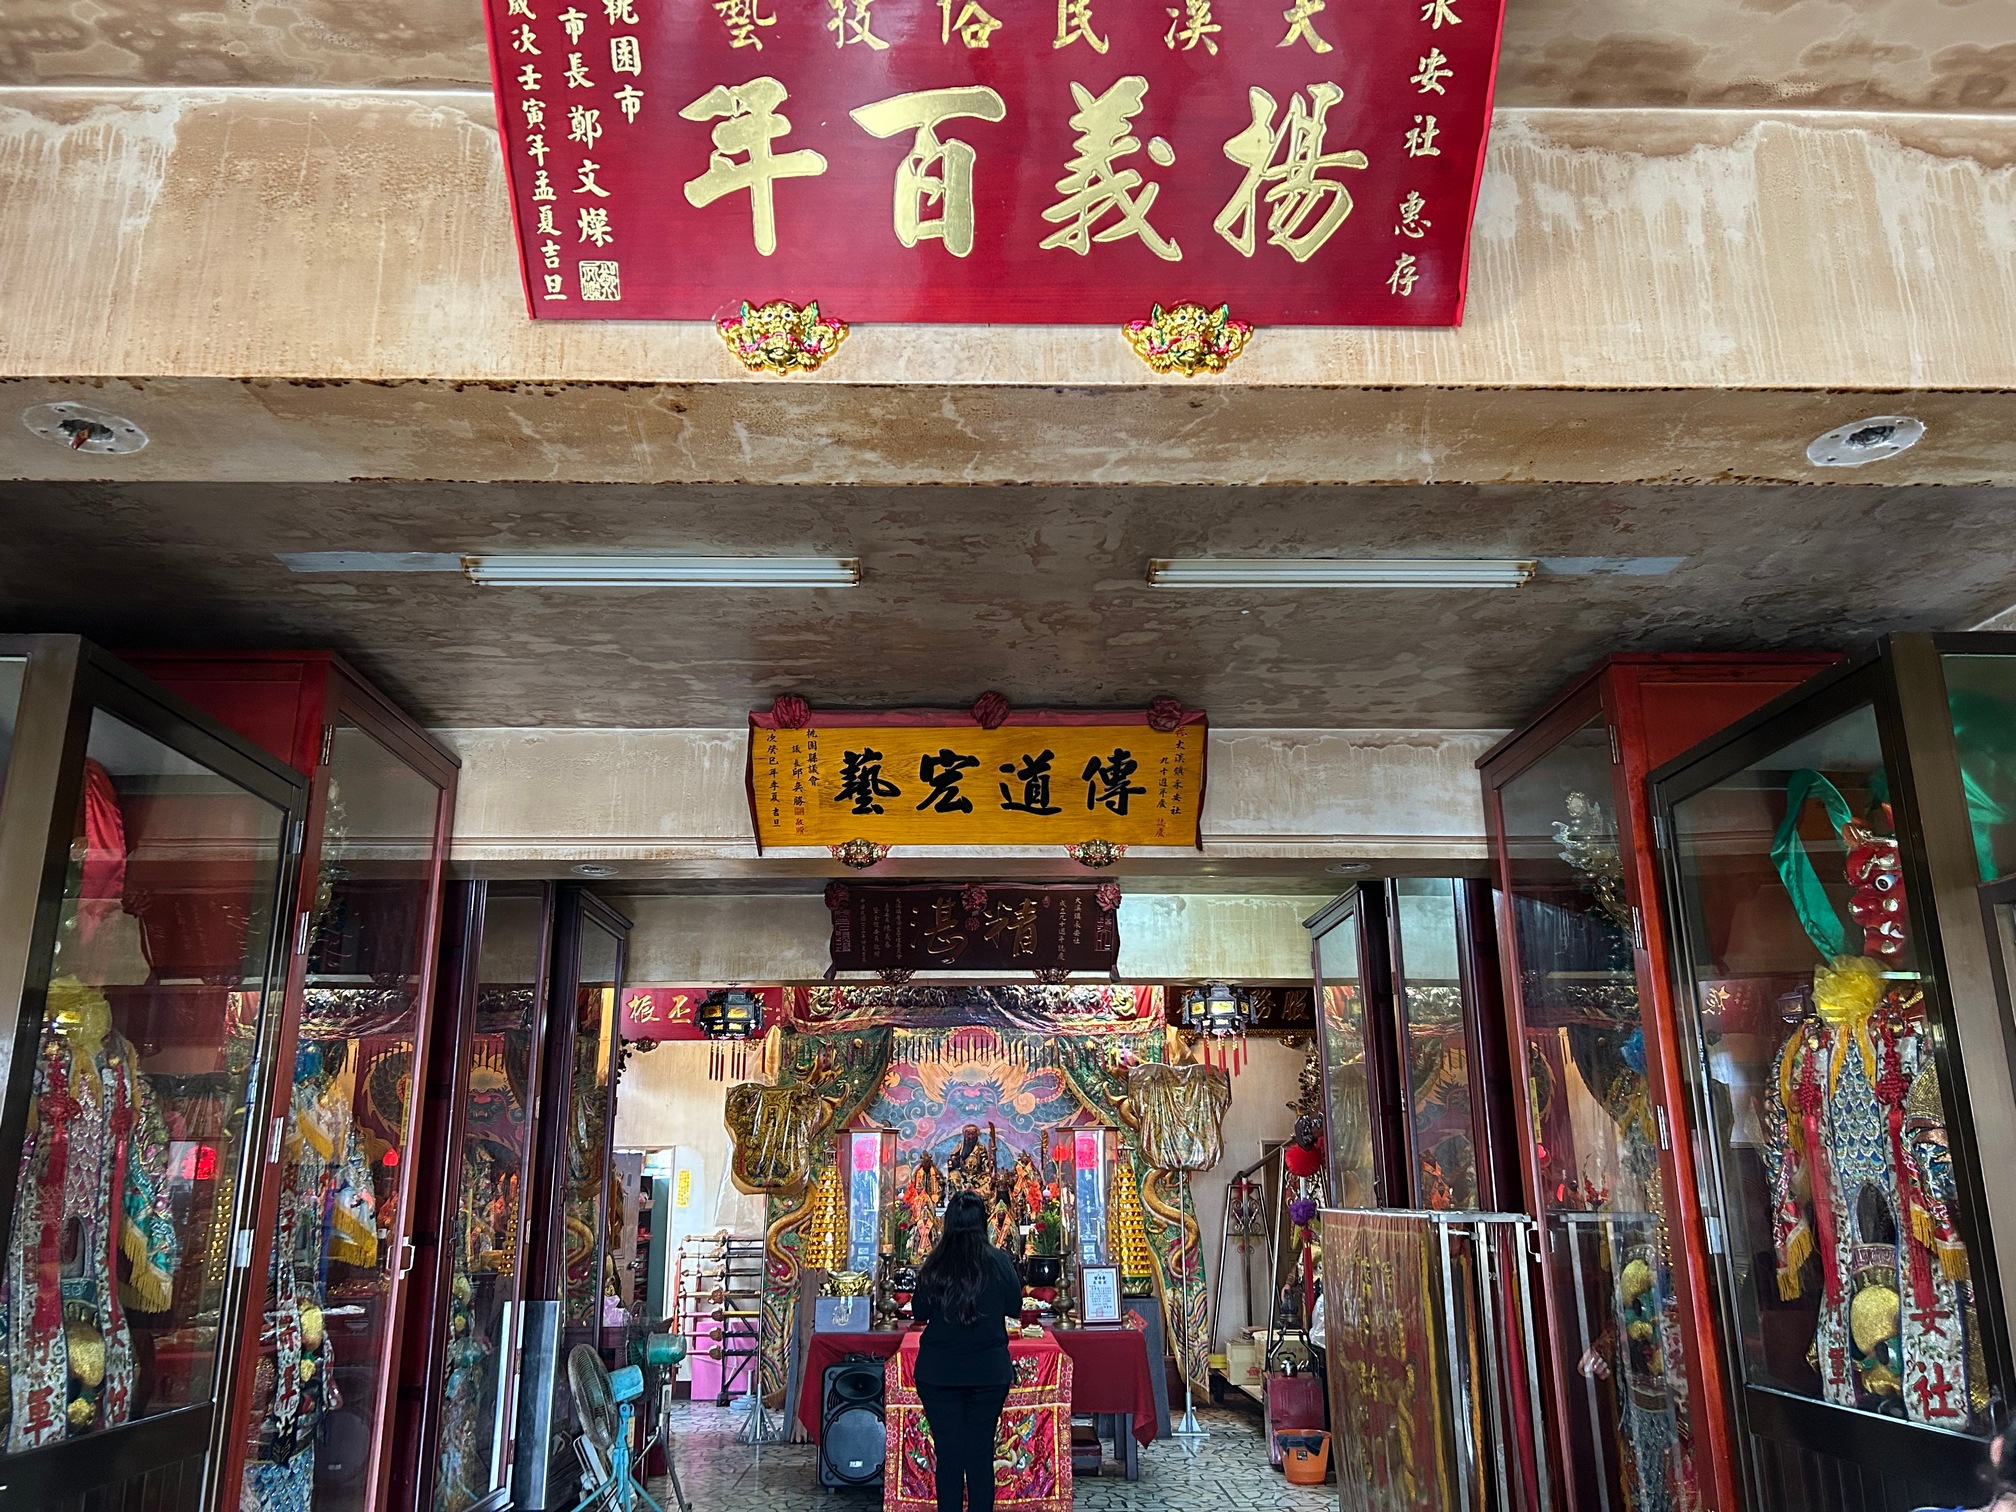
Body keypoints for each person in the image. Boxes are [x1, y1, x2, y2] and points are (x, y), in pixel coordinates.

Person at [912, 1189, 1024, 1512]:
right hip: (987, 1373)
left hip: (939, 1374)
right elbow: (1015, 1306)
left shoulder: (935, 1263)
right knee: (980, 1456)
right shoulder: (999, 1262)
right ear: (983, 1223)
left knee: (948, 1456)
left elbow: (919, 1311)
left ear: (948, 1223)